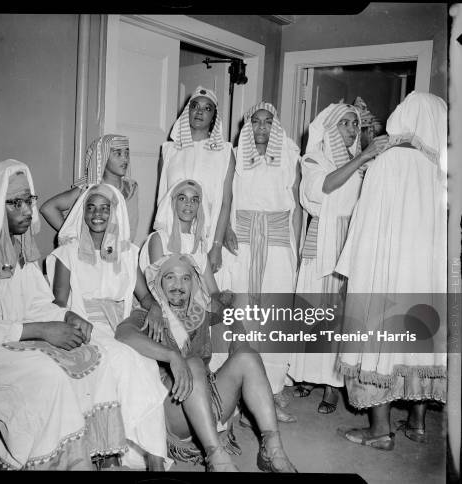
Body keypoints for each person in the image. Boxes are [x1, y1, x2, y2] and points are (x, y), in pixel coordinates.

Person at [0, 160, 128, 470]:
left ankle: (100, 457)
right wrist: (41, 331)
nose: (28, 210)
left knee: (95, 353)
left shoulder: (16, 245)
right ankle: (36, 460)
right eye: (15, 202)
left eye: (29, 200)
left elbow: (38, 304)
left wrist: (66, 318)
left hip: (5, 343)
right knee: (48, 377)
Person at [335, 91, 447, 450]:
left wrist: (354, 270)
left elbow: (366, 225)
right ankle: (417, 423)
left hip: (385, 274)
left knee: (379, 342)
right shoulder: (439, 170)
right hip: (424, 278)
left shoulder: (387, 162)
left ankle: (380, 432)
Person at [116, 253, 298, 473]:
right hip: (173, 410)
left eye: (185, 278)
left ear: (193, 283)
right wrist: (172, 357)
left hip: (210, 404)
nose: (178, 285)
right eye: (170, 278)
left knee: (248, 357)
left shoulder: (199, 310)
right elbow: (123, 335)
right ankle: (217, 460)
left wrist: (238, 330)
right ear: (159, 283)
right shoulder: (149, 314)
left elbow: (227, 311)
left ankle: (272, 450)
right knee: (192, 364)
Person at [47, 183, 170, 470]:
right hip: (87, 329)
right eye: (91, 207)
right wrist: (70, 322)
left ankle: (141, 453)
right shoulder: (68, 253)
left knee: (147, 363)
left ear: (115, 213)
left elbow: (146, 296)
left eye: (105, 208)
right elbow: (58, 303)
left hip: (122, 326)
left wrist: (153, 309)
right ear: (83, 213)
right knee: (126, 359)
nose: (98, 214)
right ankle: (151, 458)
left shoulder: (127, 253)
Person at [289, 102, 389, 414]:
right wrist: (363, 155)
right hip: (322, 241)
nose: (350, 130)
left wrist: (370, 156)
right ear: (331, 127)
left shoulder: (363, 162)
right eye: (344, 123)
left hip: (350, 240)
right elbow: (323, 187)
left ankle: (332, 385)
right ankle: (307, 374)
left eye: (353, 124)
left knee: (339, 316)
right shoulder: (314, 157)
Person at [221, 101, 302, 423]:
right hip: (242, 240)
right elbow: (226, 196)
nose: (262, 128)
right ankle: (242, 392)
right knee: (242, 313)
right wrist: (225, 229)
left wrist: (294, 253)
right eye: (256, 122)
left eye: (268, 122)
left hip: (278, 242)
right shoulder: (236, 155)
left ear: (276, 126)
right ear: (248, 125)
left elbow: (296, 209)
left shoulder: (290, 155)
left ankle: (270, 390)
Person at [157, 86, 237, 276]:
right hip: (173, 236)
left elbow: (226, 202)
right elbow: (162, 197)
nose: (200, 111)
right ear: (188, 111)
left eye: (207, 108)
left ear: (214, 116)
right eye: (195, 106)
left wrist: (216, 246)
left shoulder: (224, 153)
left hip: (208, 239)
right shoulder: (169, 150)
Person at [40, 134, 139, 242]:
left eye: (127, 153)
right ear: (103, 157)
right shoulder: (90, 189)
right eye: (118, 153)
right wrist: (73, 235)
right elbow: (48, 208)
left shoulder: (131, 188)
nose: (125, 158)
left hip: (123, 253)